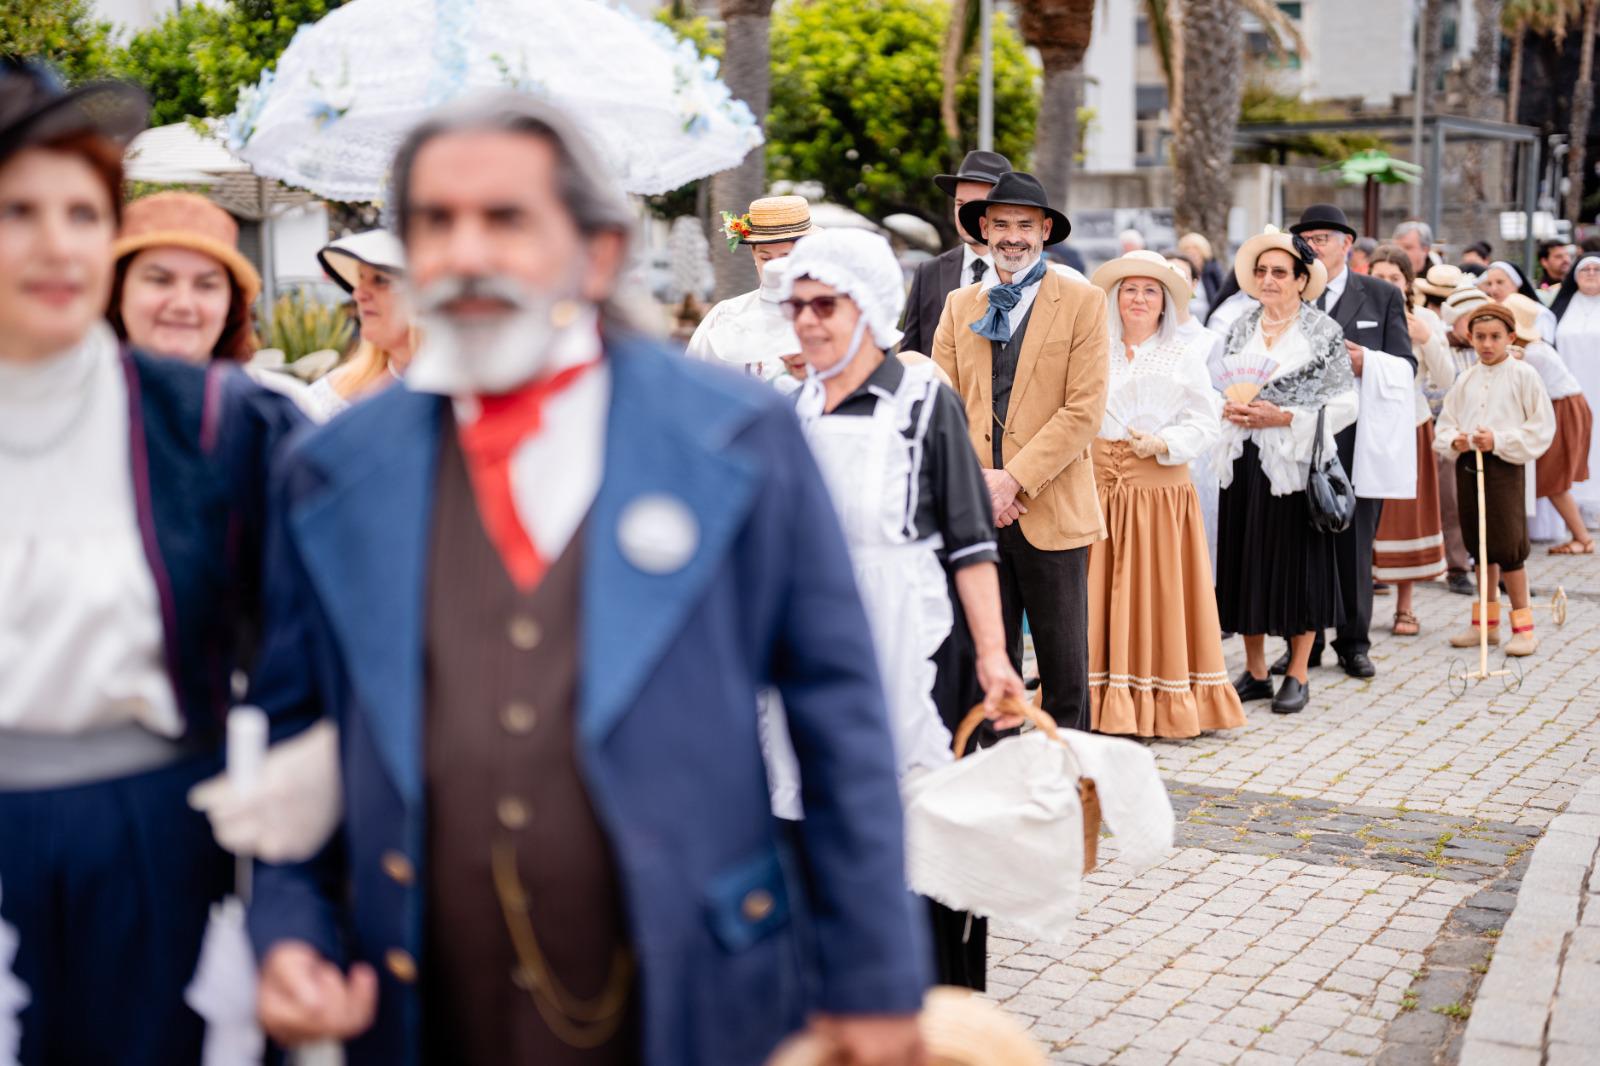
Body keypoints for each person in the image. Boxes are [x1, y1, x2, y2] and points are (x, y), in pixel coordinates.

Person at [242, 91, 928, 1065]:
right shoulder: (336, 469)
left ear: (597, 252)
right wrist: (291, 926)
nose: (467, 251)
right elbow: (294, 727)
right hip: (411, 999)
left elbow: (839, 712)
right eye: (437, 221)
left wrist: (873, 977)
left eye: (507, 218)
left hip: (689, 991)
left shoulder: (735, 436)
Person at [0, 59, 300, 1064]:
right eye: (17, 210)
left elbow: (309, 665)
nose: (55, 245)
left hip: (158, 832)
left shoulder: (219, 422)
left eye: (83, 213)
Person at [776, 227, 1026, 991]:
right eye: (797, 306)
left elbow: (970, 546)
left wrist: (993, 659)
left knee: (918, 830)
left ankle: (930, 999)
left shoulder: (923, 403)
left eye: (826, 304)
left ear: (870, 307)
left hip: (911, 645)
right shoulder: (790, 410)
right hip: (810, 647)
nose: (809, 321)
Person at [931, 171, 1110, 731]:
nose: (1012, 236)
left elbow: (1083, 411)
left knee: (1064, 672)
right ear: (982, 229)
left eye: (1025, 226)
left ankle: (1069, 788)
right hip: (979, 514)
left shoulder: (1083, 300)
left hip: (1051, 509)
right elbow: (941, 404)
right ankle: (998, 781)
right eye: (1001, 224)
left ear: (1045, 232)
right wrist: (979, 483)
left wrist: (1011, 481)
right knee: (991, 665)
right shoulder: (961, 305)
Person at [1085, 251, 1243, 737]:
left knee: (1158, 593)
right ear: (1116, 298)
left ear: (1164, 303)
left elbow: (1204, 419)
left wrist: (1166, 443)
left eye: (1149, 291)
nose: (1138, 298)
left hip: (1158, 491)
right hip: (1101, 489)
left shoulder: (1184, 355)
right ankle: (1095, 699)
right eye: (1129, 289)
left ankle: (1160, 702)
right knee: (1097, 591)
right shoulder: (1095, 349)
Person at [1216, 227, 1356, 714]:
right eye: (1262, 271)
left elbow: (1346, 403)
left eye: (1280, 272)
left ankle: (1297, 671)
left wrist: (1287, 416)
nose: (1268, 279)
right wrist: (1228, 410)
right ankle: (1255, 672)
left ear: (1302, 279)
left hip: (1295, 464)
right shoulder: (1239, 327)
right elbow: (1220, 387)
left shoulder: (1323, 333)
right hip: (1245, 461)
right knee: (1244, 561)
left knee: (1301, 568)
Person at [1280, 203, 1415, 681]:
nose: (1314, 247)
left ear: (1347, 244)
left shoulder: (1379, 295)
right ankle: (1303, 644)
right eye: (1307, 239)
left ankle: (1354, 642)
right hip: (1297, 435)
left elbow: (1406, 365)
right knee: (1298, 540)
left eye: (1323, 238)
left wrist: (1368, 363)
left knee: (1354, 543)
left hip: (1359, 436)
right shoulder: (1286, 293)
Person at [1435, 303, 1555, 657]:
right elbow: (1446, 424)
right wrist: (1455, 440)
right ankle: (1485, 624)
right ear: (1470, 338)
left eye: (1495, 337)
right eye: (1480, 337)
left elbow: (1541, 426)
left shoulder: (1523, 375)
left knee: (1508, 545)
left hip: (1504, 467)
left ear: (1510, 337)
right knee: (1479, 545)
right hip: (1469, 465)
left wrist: (1500, 441)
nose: (1487, 344)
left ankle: (1524, 627)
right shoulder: (1466, 379)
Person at [1365, 245, 1454, 635]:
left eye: (1394, 278)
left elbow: (1448, 378)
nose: (1385, 285)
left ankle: (1405, 607)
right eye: (1378, 277)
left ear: (1407, 282)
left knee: (1406, 515)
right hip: (1362, 422)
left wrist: (1427, 337)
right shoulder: (1357, 313)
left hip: (1409, 424)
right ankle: (1355, 607)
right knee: (1362, 517)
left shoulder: (1422, 319)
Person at [108, 191, 261, 364]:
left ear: (231, 304)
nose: (183, 304)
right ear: (117, 291)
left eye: (206, 285)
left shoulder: (273, 391)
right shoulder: (76, 390)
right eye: (160, 280)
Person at [686, 194, 815, 377]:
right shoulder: (726, 316)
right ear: (754, 257)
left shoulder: (824, 314)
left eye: (786, 257)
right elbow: (695, 377)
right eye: (766, 258)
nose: (774, 267)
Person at [899, 149, 1012, 357]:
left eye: (976, 205)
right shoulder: (929, 272)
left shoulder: (1023, 274)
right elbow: (910, 353)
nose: (964, 214)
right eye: (960, 204)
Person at [1503, 293, 1594, 552]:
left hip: (1562, 408)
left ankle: (1583, 538)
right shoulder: (1532, 349)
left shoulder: (1531, 353)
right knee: (1552, 478)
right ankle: (1581, 536)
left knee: (1553, 477)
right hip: (1561, 407)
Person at [304, 228, 414, 420]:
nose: (358, 294)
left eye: (380, 279)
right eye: (360, 278)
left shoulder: (470, 396)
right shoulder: (333, 394)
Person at [1550, 251, 1600, 522]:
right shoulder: (1563, 307)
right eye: (1585, 270)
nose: (1591, 274)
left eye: (1596, 269)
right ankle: (1574, 510)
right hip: (1570, 390)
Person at [1478, 260, 1557, 341]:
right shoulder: (1490, 313)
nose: (1493, 289)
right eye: (1489, 284)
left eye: (1500, 282)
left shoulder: (1540, 313)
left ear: (1516, 283)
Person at [1180, 231, 1229, 311]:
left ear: (1203, 253)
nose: (1191, 253)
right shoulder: (1180, 272)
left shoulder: (1212, 271)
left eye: (1196, 249)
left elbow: (1222, 294)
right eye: (1187, 250)